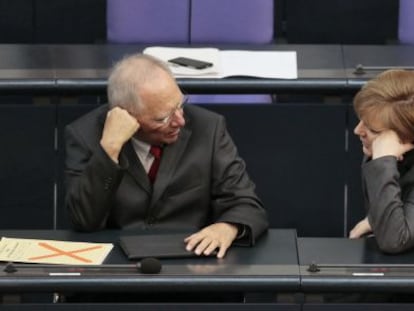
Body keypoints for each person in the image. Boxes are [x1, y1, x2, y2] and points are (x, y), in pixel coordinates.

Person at [64, 53, 269, 259]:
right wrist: (109, 150)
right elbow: (84, 220)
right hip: (117, 267)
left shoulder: (208, 128)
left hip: (193, 261)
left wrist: (228, 227)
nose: (180, 121)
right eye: (163, 118)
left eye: (180, 105)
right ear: (125, 114)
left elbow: (246, 203)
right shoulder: (85, 135)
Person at [349, 69, 414, 253]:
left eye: (373, 130)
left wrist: (384, 161)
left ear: (406, 137)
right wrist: (374, 219)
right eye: (361, 120)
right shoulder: (389, 152)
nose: (357, 130)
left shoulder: (382, 156)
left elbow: (394, 240)